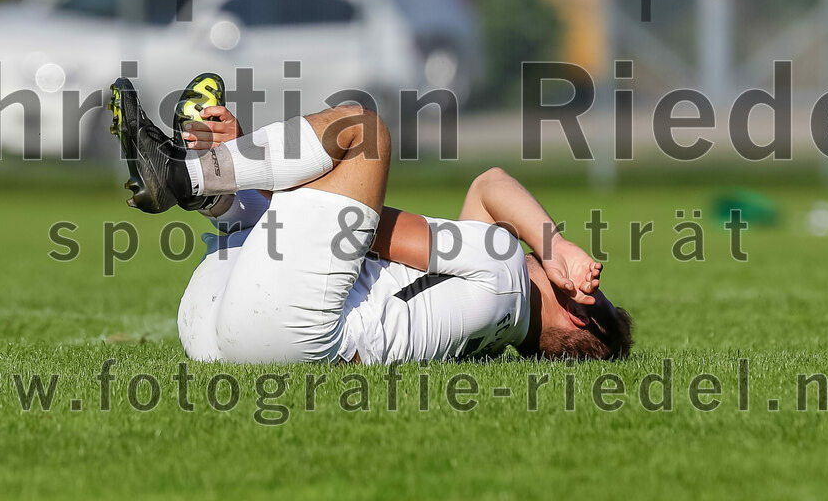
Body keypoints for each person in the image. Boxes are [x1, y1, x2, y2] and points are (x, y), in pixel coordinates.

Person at [108, 73, 633, 364]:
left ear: (579, 311)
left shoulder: (506, 274)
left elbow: (365, 228)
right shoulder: (497, 326)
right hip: (219, 329)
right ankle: (207, 184)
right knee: (286, 209)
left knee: (363, 133)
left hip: (287, 325)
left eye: (595, 292)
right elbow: (488, 189)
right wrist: (551, 244)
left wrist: (554, 247)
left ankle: (191, 176)